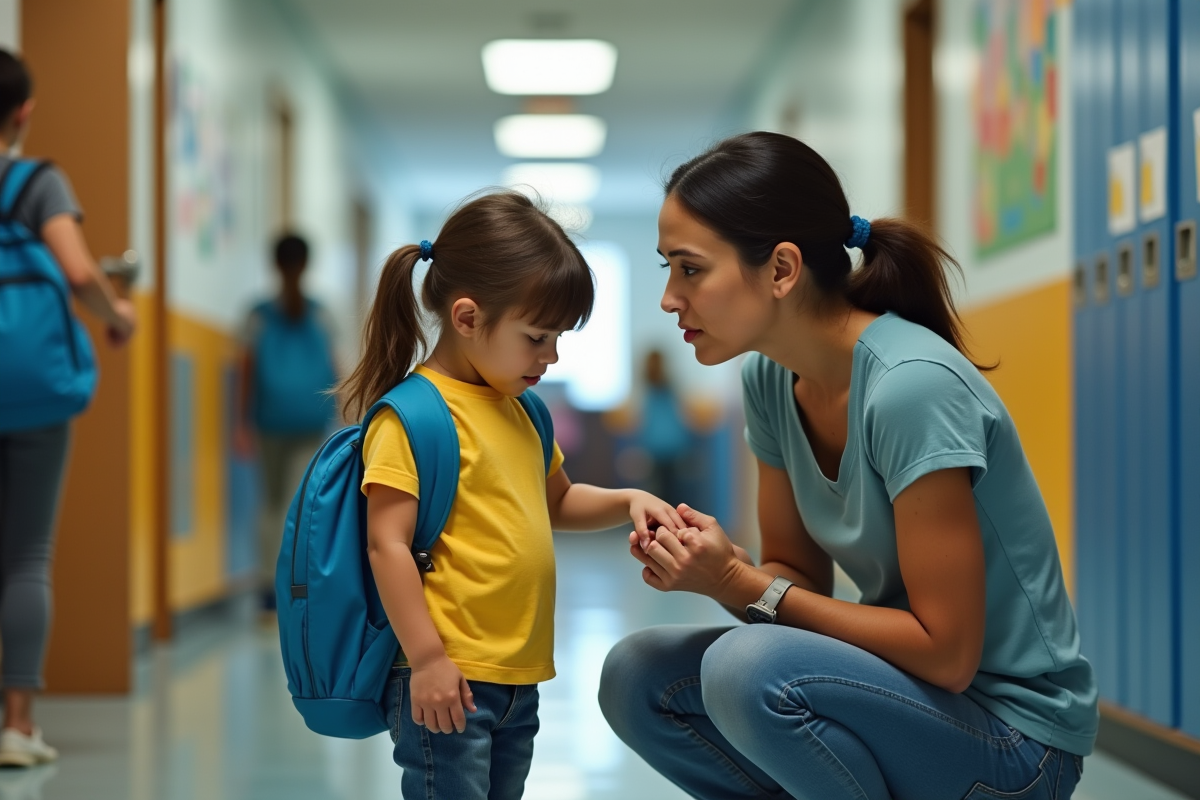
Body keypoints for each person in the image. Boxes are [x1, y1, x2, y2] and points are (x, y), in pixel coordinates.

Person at [598, 132, 1097, 800]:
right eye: (668, 269)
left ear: (781, 269)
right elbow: (795, 579)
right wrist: (719, 574)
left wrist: (743, 583)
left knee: (748, 670)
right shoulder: (771, 380)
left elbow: (947, 655)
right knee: (635, 675)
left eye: (689, 269)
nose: (668, 298)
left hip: (1015, 741)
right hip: (904, 694)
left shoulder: (910, 386)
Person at [342, 191, 684, 800]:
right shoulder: (412, 417)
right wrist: (427, 659)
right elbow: (386, 545)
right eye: (536, 337)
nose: (551, 356)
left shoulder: (525, 411)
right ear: (467, 318)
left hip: (516, 676)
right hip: (448, 672)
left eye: (559, 338)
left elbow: (557, 503)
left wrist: (627, 499)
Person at [0, 49, 137, 767]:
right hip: (32, 391)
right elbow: (78, 270)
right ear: (23, 111)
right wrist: (119, 314)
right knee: (27, 554)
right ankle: (17, 725)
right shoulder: (35, 181)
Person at [235, 233, 338, 611]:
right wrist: (341, 414)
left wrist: (242, 421)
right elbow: (334, 369)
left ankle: (268, 590)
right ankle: (298, 587)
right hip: (311, 419)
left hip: (269, 420)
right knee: (301, 503)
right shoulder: (321, 314)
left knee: (271, 504)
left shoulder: (257, 315)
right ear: (306, 264)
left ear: (275, 264)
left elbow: (246, 370)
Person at [636, 349, 692, 503]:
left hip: (656, 445)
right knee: (673, 489)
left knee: (659, 489)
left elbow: (644, 420)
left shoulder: (648, 389)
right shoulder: (670, 387)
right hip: (674, 443)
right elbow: (682, 415)